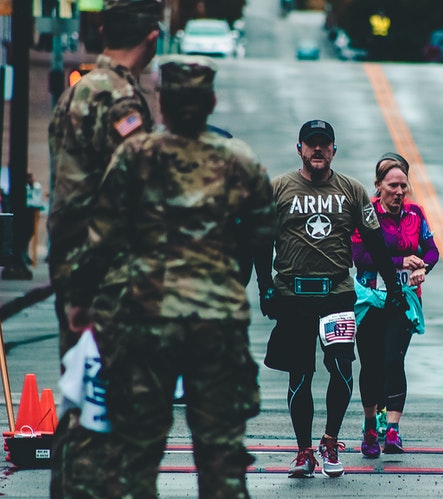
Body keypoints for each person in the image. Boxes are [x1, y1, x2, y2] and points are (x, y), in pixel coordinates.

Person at [66, 54, 277, 497]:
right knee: (222, 456)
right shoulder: (240, 160)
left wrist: (81, 300)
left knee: (137, 453)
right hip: (217, 321)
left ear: (161, 102)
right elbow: (262, 232)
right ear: (211, 101)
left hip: (147, 316)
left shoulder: (136, 155)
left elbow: (101, 236)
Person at [47, 0, 162, 495]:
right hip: (107, 276)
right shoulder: (120, 101)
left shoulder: (79, 90)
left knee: (80, 397)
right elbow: (130, 198)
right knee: (108, 409)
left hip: (76, 266)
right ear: (152, 38)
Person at [254, 119, 408, 479]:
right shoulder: (278, 189)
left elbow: (374, 241)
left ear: (334, 150)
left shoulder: (351, 190)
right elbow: (259, 242)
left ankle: (330, 440)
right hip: (293, 297)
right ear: (300, 149)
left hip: (337, 295)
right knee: (300, 375)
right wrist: (265, 286)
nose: (318, 149)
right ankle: (304, 451)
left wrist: (394, 287)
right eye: (312, 144)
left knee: (341, 368)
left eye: (325, 144)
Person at [351, 152, 439, 458]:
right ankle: (369, 427)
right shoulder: (366, 213)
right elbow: (360, 256)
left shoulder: (415, 213)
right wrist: (401, 260)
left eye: (404, 185)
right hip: (371, 299)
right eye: (392, 185)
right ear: (378, 185)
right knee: (371, 363)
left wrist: (422, 268)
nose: (399, 192)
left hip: (404, 298)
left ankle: (392, 430)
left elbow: (432, 250)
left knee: (393, 360)